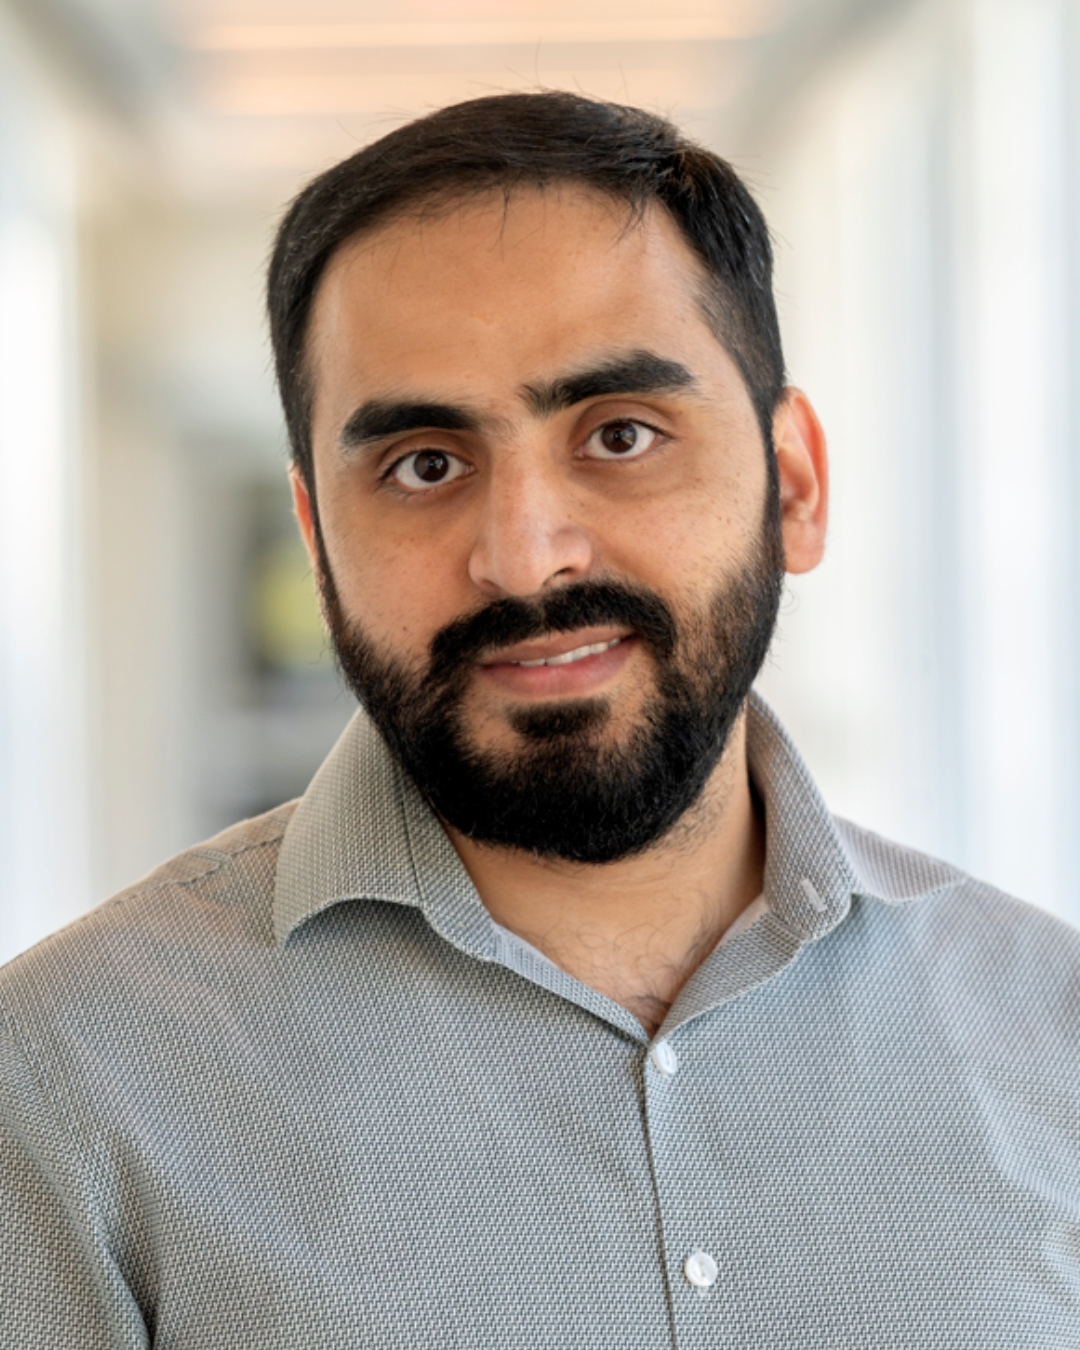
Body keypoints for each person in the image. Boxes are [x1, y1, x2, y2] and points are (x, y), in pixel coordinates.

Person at [1, 92, 1078, 1348]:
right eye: (424, 464)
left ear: (793, 484)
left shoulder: (1052, 1034)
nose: (524, 558)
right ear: (316, 539)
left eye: (620, 434)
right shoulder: (61, 1084)